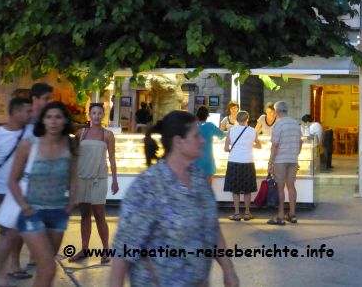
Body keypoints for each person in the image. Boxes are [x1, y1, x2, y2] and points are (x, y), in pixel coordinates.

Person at [110, 111, 239, 287]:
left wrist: (228, 270)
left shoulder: (199, 179)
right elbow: (123, 252)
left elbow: (212, 228)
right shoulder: (148, 187)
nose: (202, 141)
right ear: (178, 142)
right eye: (196, 136)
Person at [8, 102, 77, 287]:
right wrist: (24, 207)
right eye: (49, 117)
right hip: (33, 213)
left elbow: (73, 176)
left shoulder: (70, 144)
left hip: (58, 212)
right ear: (43, 121)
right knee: (49, 268)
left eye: (58, 117)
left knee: (44, 270)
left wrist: (71, 202)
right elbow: (12, 180)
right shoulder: (29, 145)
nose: (53, 121)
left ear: (65, 121)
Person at [0, 98, 33, 285]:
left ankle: (0, 272)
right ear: (15, 112)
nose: (31, 114)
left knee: (14, 233)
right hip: (0, 193)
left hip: (21, 192)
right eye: (27, 111)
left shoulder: (30, 133)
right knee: (10, 232)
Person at [68, 103, 118, 264]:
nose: (96, 116)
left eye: (99, 113)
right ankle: (84, 248)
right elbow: (74, 156)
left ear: (103, 115)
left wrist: (115, 180)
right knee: (84, 215)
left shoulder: (108, 135)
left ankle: (105, 250)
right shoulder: (81, 133)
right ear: (89, 115)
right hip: (82, 178)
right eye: (93, 113)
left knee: (99, 214)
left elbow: (111, 158)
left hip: (99, 178)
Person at [267, 101, 302, 225]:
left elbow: (274, 146)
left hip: (280, 160)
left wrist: (270, 163)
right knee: (291, 186)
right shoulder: (295, 123)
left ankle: (280, 215)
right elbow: (300, 142)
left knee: (280, 187)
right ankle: (292, 214)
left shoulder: (278, 124)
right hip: (293, 159)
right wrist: (296, 155)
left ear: (277, 112)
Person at [224, 111, 261, 221]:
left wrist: (233, 150)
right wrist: (250, 146)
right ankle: (247, 213)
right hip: (248, 161)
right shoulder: (253, 131)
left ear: (236, 119)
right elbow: (259, 146)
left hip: (234, 161)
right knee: (247, 189)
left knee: (235, 190)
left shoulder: (232, 130)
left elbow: (226, 148)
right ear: (247, 119)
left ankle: (236, 214)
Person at [193, 106, 225, 181]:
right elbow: (222, 135)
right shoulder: (210, 125)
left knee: (196, 187)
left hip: (195, 161)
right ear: (207, 116)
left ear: (197, 116)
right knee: (208, 187)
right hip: (208, 160)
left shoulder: (192, 126)